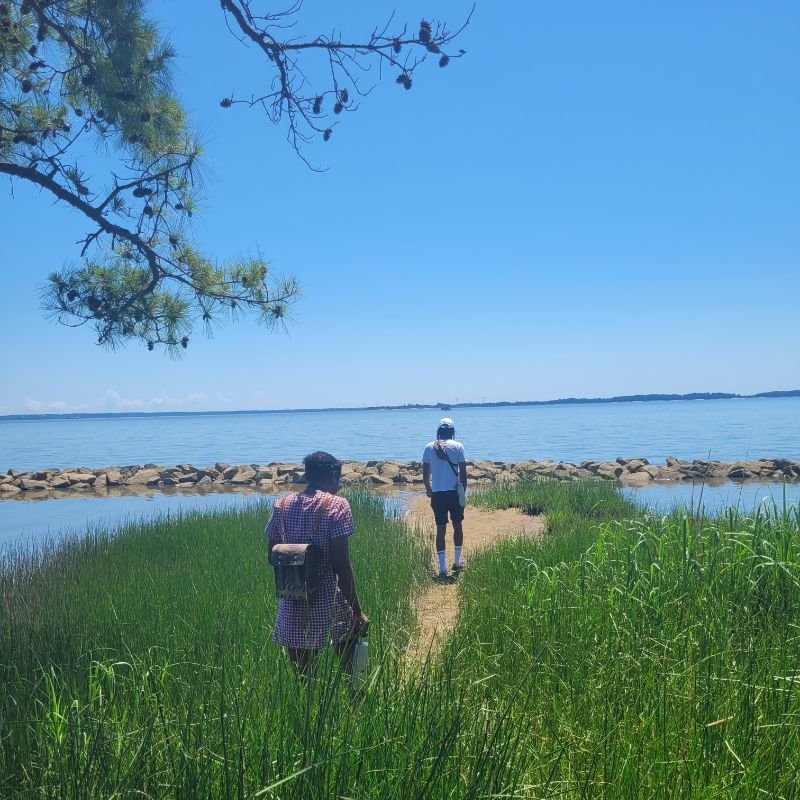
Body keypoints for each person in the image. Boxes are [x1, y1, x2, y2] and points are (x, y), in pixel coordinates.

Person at [266, 451, 368, 675]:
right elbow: (341, 565)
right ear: (332, 474)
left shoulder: (281, 504)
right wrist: (357, 611)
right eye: (339, 477)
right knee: (352, 674)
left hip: (293, 600)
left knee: (304, 679)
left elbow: (272, 556)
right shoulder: (338, 505)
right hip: (330, 600)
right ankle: (355, 699)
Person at [422, 418, 467, 583]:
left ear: (439, 431)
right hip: (454, 493)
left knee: (440, 529)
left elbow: (425, 473)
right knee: (457, 525)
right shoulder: (458, 446)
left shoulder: (429, 447)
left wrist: (428, 488)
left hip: (438, 494)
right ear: (452, 432)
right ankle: (457, 562)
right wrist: (463, 492)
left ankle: (442, 568)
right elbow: (463, 473)